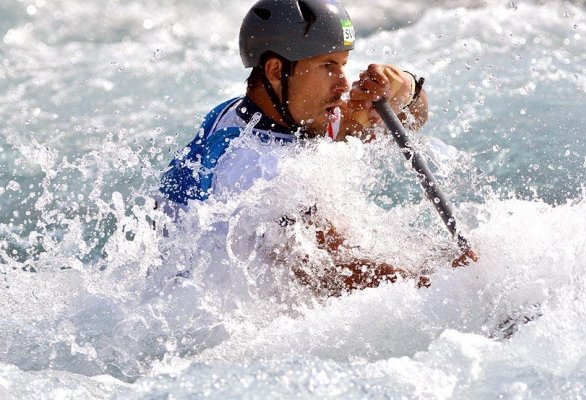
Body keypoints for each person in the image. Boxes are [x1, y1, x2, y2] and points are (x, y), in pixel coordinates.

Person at [158, 0, 475, 296]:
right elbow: (327, 274)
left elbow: (413, 117)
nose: (343, 83)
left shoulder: (275, 116)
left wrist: (401, 86)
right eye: (327, 66)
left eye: (342, 65)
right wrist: (445, 285)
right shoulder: (256, 168)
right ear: (274, 71)